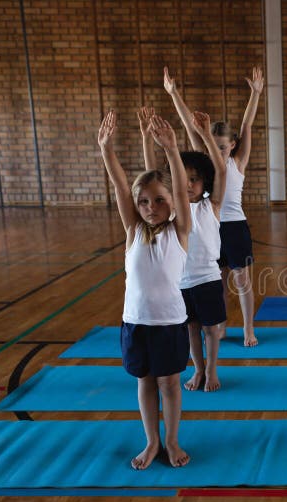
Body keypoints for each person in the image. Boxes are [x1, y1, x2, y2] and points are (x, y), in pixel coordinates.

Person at [98, 109, 191, 469]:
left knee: (170, 383)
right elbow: (122, 188)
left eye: (160, 200)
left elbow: (181, 189)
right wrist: (106, 150)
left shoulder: (178, 233)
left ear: (171, 202)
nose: (152, 207)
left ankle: (171, 440)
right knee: (145, 382)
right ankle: (151, 442)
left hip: (169, 323)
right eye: (144, 202)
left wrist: (170, 150)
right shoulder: (133, 232)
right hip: (136, 322)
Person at [164, 65, 263, 346]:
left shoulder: (238, 160)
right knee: (214, 280)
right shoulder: (207, 160)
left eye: (223, 146)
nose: (218, 151)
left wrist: (255, 94)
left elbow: (247, 125)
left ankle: (247, 328)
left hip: (235, 227)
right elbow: (188, 124)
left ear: (233, 145)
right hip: (209, 226)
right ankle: (218, 326)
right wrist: (174, 94)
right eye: (214, 146)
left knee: (242, 280)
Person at [139, 106, 229, 392]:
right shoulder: (173, 208)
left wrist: (204, 134)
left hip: (208, 279)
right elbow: (151, 174)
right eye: (184, 179)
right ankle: (198, 370)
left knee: (211, 329)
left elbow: (222, 170)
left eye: (195, 179)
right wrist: (146, 139)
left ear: (205, 183)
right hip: (181, 281)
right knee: (191, 328)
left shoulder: (210, 205)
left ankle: (212, 370)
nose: (189, 184)